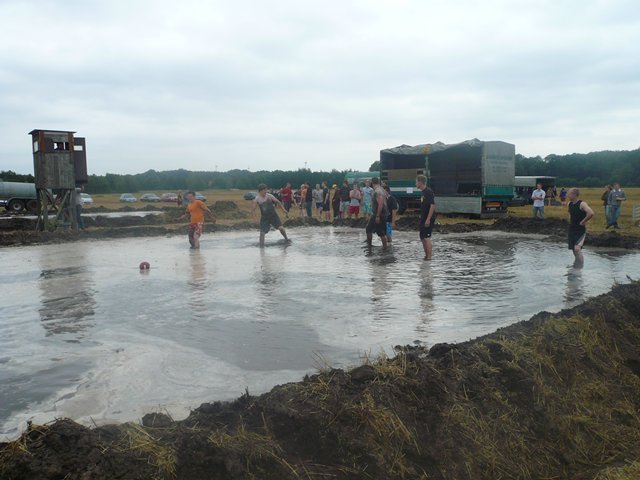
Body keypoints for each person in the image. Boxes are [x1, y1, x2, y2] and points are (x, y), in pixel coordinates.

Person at [567, 188, 594, 267]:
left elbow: (591, 213)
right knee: (573, 249)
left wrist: (583, 222)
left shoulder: (582, 204)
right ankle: (576, 265)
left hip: (580, 230)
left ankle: (581, 266)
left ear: (574, 195)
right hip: (572, 229)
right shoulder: (569, 203)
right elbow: (570, 214)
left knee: (577, 249)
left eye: (569, 194)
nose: (568, 195)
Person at [416, 175, 436, 260]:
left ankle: (429, 257)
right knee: (422, 237)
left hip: (428, 218)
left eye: (416, 182)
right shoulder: (423, 192)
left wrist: (428, 219)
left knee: (427, 237)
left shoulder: (428, 191)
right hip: (423, 218)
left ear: (420, 182)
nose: (415, 184)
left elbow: (432, 205)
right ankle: (426, 255)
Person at [365, 177, 389, 249]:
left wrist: (378, 216)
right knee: (375, 230)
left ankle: (371, 246)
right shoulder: (382, 190)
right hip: (382, 213)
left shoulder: (377, 191)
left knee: (375, 231)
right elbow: (387, 199)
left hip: (379, 214)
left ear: (372, 183)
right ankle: (384, 248)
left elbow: (380, 204)